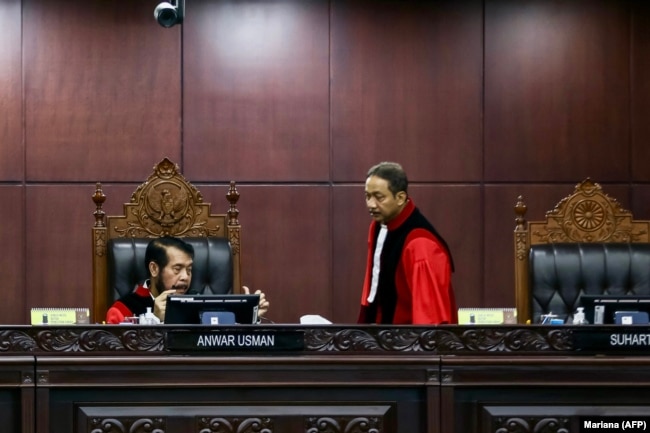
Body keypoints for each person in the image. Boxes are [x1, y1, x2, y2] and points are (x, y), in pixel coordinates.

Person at [358, 162, 457, 325]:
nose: (371, 204)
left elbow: (429, 316)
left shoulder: (420, 244)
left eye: (379, 197)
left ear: (400, 198)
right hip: (382, 336)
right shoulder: (378, 226)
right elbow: (372, 287)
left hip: (408, 343)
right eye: (367, 196)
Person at [105, 236, 269, 324]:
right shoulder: (122, 310)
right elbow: (121, 358)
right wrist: (153, 320)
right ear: (154, 269)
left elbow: (226, 341)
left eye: (189, 270)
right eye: (177, 269)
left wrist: (251, 315)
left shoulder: (201, 303)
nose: (185, 277)